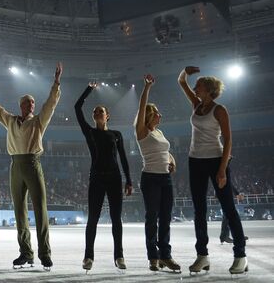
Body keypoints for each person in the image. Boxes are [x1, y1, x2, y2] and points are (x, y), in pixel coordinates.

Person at [0, 63, 63, 270]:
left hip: (33, 164)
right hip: (16, 165)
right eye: (28, 103)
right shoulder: (11, 121)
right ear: (21, 106)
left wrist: (56, 82)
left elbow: (50, 104)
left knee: (41, 210)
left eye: (33, 102)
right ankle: (26, 253)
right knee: (19, 212)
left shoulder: (39, 122)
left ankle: (45, 254)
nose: (32, 105)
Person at [178, 66, 248, 274]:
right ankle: (202, 256)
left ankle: (240, 256)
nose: (194, 88)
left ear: (208, 90)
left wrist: (222, 169)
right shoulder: (196, 105)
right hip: (195, 161)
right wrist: (185, 72)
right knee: (199, 211)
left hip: (216, 160)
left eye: (198, 86)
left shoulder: (220, 110)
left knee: (228, 208)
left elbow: (228, 140)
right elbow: (182, 82)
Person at [75, 81, 132, 271]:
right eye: (95, 112)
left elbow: (123, 158)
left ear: (107, 116)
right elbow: (77, 107)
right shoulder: (89, 132)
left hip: (115, 179)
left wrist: (129, 180)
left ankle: (119, 256)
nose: (97, 113)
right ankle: (88, 256)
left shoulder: (116, 134)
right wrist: (89, 89)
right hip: (97, 178)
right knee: (93, 219)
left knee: (117, 219)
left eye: (101, 111)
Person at [135, 74, 180, 272]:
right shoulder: (142, 131)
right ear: (149, 116)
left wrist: (172, 161)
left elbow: (165, 151)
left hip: (165, 179)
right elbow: (141, 107)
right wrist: (147, 88)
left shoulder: (159, 133)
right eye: (157, 113)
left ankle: (165, 256)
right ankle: (153, 257)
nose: (160, 116)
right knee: (152, 218)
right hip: (151, 178)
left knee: (166, 218)